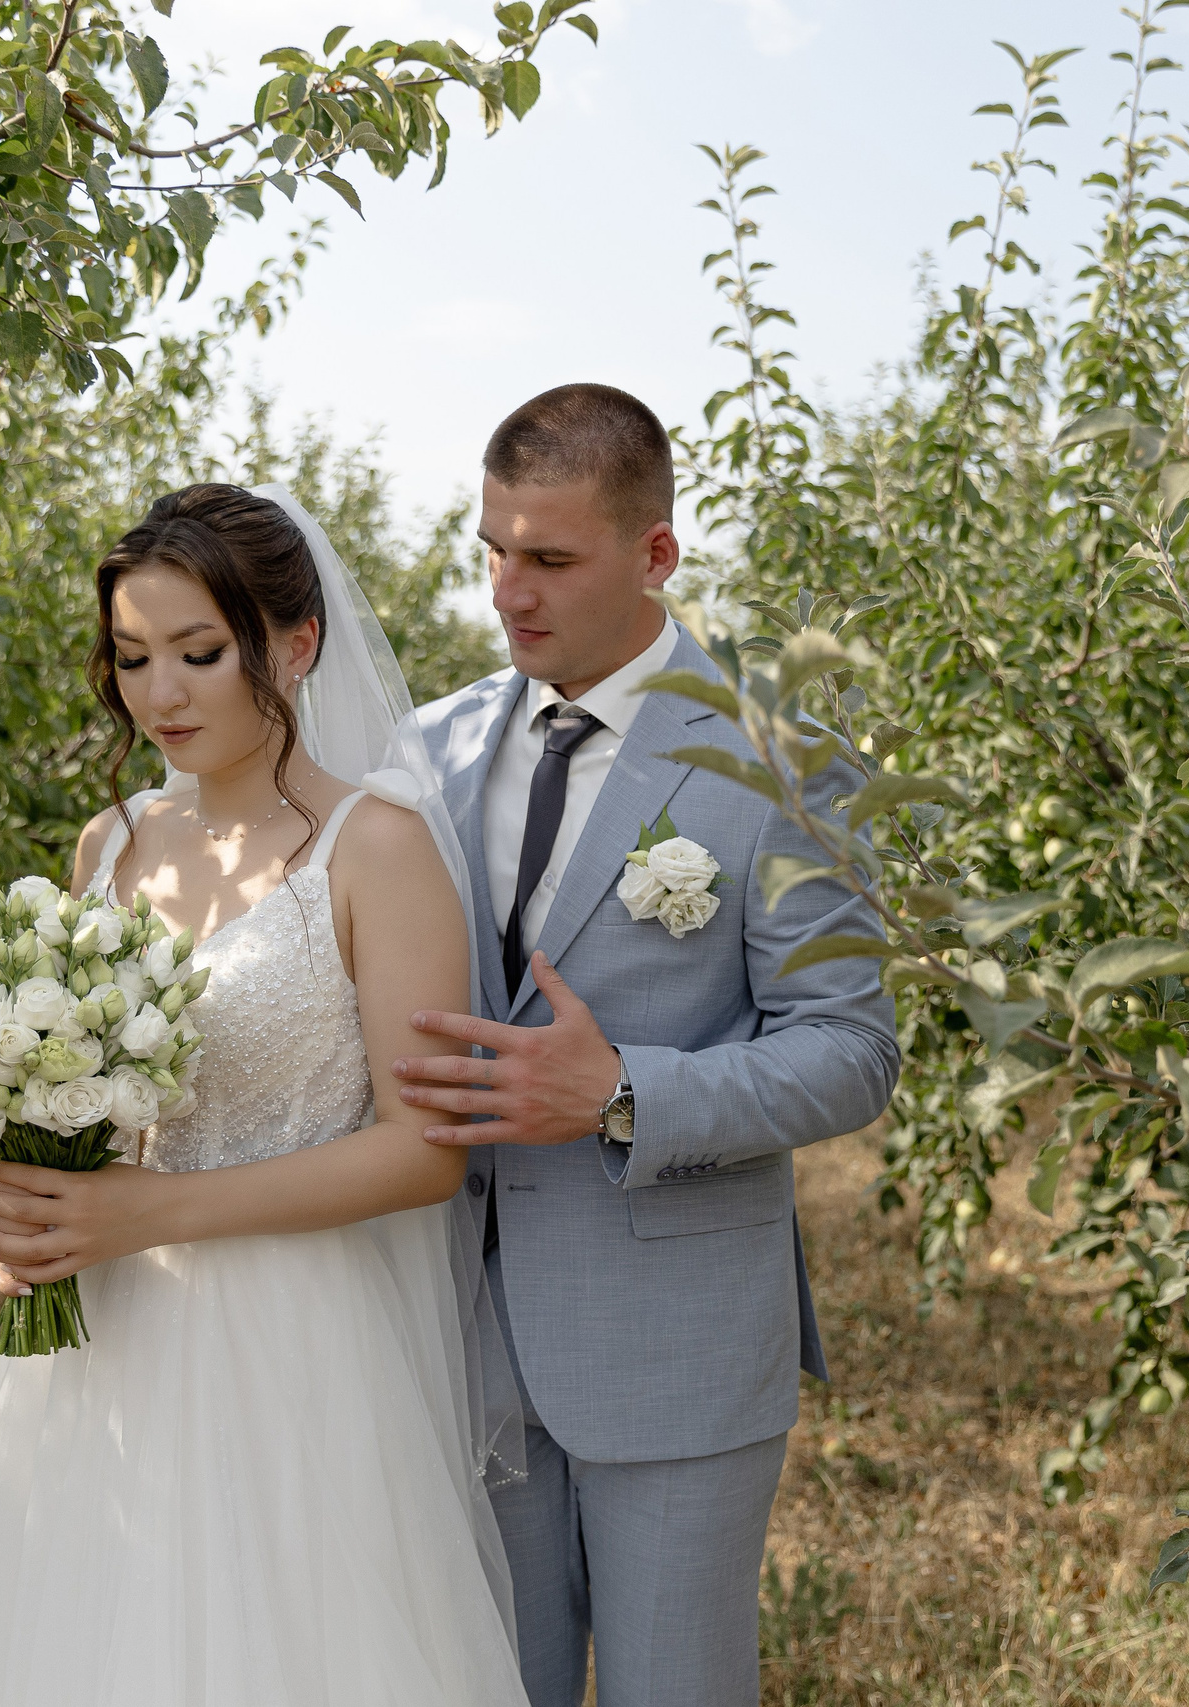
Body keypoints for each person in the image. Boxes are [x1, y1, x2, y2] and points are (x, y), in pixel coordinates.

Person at [0, 484, 528, 1705]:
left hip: (298, 1334)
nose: (161, 695)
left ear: (294, 646)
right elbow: (79, 1092)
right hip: (107, 1334)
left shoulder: (376, 847)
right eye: (132, 658)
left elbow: (423, 1153)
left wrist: (150, 1213)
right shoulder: (113, 843)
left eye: (199, 652)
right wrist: (31, 1198)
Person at [391, 383, 900, 1707]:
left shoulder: (776, 759)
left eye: (551, 558)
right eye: (492, 550)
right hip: (455, 1332)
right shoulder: (428, 750)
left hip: (673, 1347)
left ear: (656, 552)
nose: (511, 593)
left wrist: (619, 1092)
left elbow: (848, 1047)